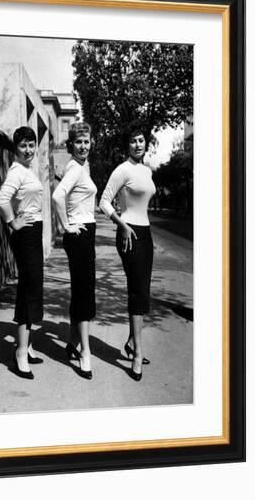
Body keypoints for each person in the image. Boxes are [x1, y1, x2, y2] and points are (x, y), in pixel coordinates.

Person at [99, 124, 156, 381]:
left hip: (146, 234)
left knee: (143, 290)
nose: (138, 145)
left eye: (141, 140)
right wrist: (121, 224)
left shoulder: (147, 170)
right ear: (127, 145)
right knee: (137, 290)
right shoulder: (122, 170)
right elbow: (103, 201)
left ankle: (132, 343)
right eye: (133, 141)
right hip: (128, 233)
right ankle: (136, 353)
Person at [0, 127, 44, 380]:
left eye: (31, 145)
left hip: (33, 232)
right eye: (23, 145)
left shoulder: (27, 170)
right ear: (16, 148)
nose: (28, 150)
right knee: (27, 291)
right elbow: (2, 199)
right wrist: (12, 223)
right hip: (25, 235)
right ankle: (21, 354)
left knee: (33, 289)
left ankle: (28, 345)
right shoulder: (16, 171)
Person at [52, 122, 97, 379]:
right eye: (79, 142)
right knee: (84, 294)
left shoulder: (82, 167)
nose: (83, 146)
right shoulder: (74, 168)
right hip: (78, 235)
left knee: (82, 290)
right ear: (72, 144)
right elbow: (58, 196)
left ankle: (72, 342)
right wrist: (66, 227)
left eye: (86, 141)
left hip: (85, 233)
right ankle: (85, 353)